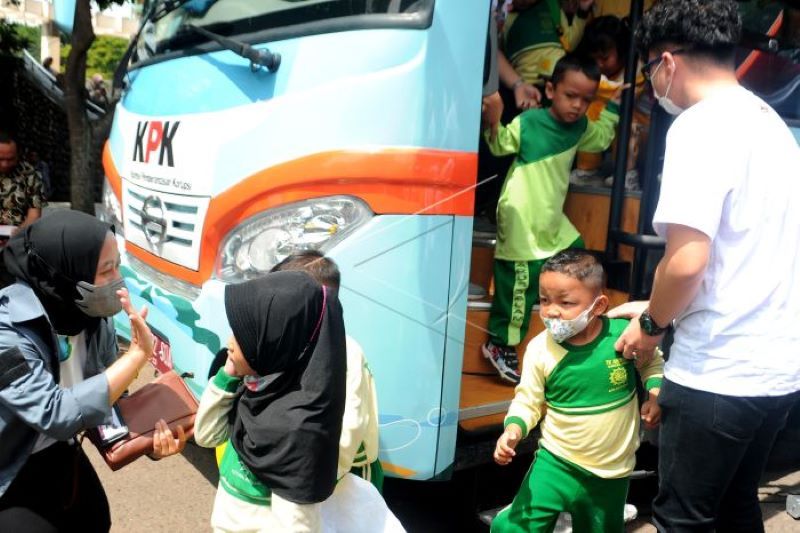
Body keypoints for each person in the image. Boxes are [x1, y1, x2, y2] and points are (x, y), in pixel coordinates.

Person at [608, 1, 800, 530]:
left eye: (649, 70)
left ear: (667, 62)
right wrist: (657, 300)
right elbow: (744, 252)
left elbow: (688, 261)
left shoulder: (698, 128)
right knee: (737, 506)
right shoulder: (769, 124)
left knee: (682, 519)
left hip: (720, 372)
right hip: (777, 372)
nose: (652, 83)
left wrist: (651, 326)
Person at [0, 210, 186, 532]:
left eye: (117, 264)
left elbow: (110, 397)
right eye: (105, 270)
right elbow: (54, 413)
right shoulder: (6, 330)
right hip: (12, 465)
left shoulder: (91, 314)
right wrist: (138, 355)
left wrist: (151, 439)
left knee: (96, 519)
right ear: (63, 272)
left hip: (60, 449)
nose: (117, 279)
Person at [492, 249, 664, 532]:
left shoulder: (623, 336)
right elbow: (528, 400)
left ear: (598, 305)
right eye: (544, 300)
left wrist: (654, 394)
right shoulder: (540, 348)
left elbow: (652, 361)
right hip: (555, 462)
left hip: (610, 473)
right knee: (514, 528)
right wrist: (513, 431)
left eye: (566, 302)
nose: (551, 311)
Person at [481, 53, 621, 384]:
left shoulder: (580, 127)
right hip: (521, 217)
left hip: (551, 220)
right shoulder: (530, 123)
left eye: (585, 100)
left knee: (579, 257)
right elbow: (500, 145)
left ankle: (569, 321)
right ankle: (499, 343)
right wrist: (495, 118)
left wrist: (612, 105)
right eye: (570, 95)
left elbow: (601, 137)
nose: (577, 105)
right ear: (549, 90)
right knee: (518, 284)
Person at [194, 271, 347, 532]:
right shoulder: (259, 386)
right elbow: (207, 436)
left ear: (275, 342)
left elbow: (298, 527)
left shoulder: (297, 437)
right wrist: (227, 375)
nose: (230, 343)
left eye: (243, 335)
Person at [271, 251, 383, 492]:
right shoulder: (294, 341)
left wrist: (318, 479)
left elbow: (351, 426)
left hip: (347, 469)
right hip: (304, 467)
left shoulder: (347, 351)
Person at [572, 15, 649, 190]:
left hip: (640, 129)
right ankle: (587, 171)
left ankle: (628, 174)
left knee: (628, 123)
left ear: (622, 51)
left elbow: (621, 96)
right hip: (606, 123)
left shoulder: (636, 70)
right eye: (594, 58)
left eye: (605, 58)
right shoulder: (593, 72)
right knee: (589, 113)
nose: (599, 64)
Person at [499, 0, 595, 88]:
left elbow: (569, 43)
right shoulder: (503, 15)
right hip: (527, 87)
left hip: (561, 81)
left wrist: (583, 11)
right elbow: (497, 56)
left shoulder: (551, 6)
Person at [0, 131, 44, 232]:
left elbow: (34, 214)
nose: (5, 164)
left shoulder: (29, 174)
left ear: (18, 155)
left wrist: (19, 233)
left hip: (18, 234)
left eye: (10, 159)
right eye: (0, 159)